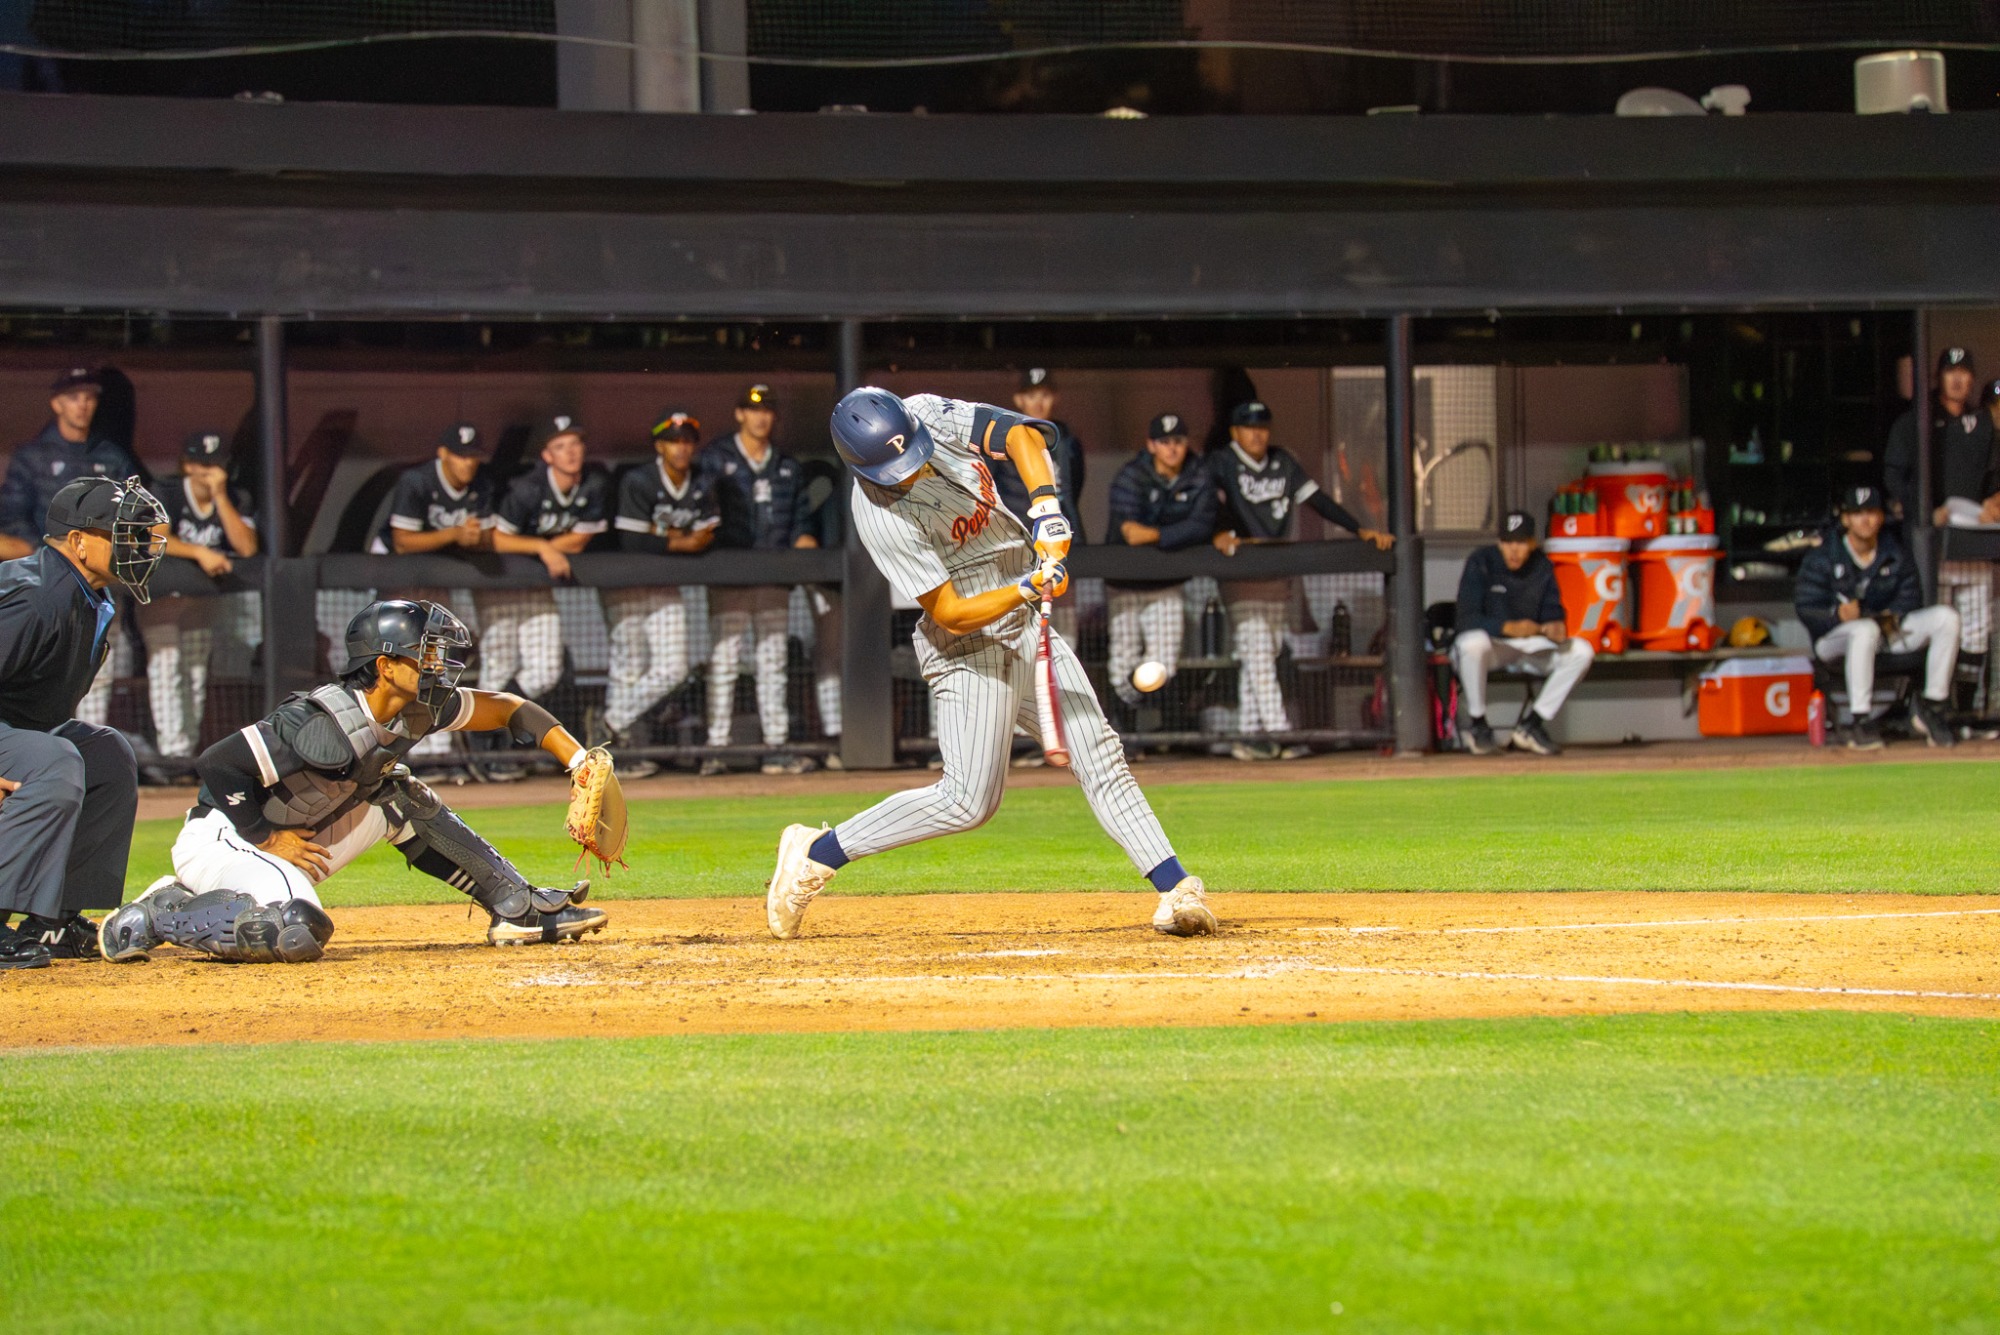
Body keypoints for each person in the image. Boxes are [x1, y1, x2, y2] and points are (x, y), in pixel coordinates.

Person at [761, 387, 1214, 942]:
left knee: (1098, 751)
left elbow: (1020, 435)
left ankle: (1176, 887)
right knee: (968, 802)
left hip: (1024, 619)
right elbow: (950, 612)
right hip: (967, 647)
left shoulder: (926, 414)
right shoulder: (877, 515)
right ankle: (816, 852)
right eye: (893, 468)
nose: (909, 470)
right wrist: (1025, 588)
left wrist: (1046, 508)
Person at [97, 599, 608, 964]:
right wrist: (265, 838)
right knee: (298, 930)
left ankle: (515, 906)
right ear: (385, 665)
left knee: (398, 796)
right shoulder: (320, 721)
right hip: (225, 838)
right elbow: (217, 764)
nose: (438, 663)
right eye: (424, 653)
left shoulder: (420, 705)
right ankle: (165, 910)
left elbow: (509, 710)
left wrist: (578, 759)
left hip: (293, 836)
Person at [0, 476, 165, 970]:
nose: (136, 545)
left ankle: (53, 921)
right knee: (55, 761)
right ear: (77, 542)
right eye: (122, 534)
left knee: (107, 755)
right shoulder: (35, 597)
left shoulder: (83, 594)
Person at [1209, 399, 1394, 760]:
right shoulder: (1221, 462)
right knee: (1258, 651)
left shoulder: (1282, 462)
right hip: (1240, 573)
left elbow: (1319, 501)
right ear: (1235, 432)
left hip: (1277, 572)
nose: (1257, 433)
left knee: (1262, 653)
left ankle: (1249, 735)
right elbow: (1203, 503)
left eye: (1262, 426)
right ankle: (1281, 732)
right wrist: (1217, 531)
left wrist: (1359, 529)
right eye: (1249, 427)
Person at [1, 367, 151, 728]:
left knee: (95, 667)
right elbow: (12, 516)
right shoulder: (33, 456)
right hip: (46, 575)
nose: (82, 405)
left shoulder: (111, 455)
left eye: (89, 397)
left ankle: (77, 734)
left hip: (96, 581)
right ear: (56, 403)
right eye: (73, 397)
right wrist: (48, 557)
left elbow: (139, 511)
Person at [698, 383, 816, 776]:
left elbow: (801, 522)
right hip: (729, 577)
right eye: (753, 410)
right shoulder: (717, 457)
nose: (760, 416)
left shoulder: (786, 464)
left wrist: (802, 547)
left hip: (772, 579)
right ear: (739, 414)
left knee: (773, 663)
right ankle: (716, 747)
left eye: (767, 410)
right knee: (724, 662)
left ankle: (776, 746)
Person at [1795, 485, 1959, 750]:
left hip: (1885, 631)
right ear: (1846, 518)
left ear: (1881, 516)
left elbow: (1910, 598)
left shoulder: (1893, 553)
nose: (1866, 519)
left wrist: (1887, 615)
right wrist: (1836, 615)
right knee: (1863, 630)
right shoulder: (1824, 556)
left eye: (1871, 511)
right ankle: (1861, 719)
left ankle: (1931, 707)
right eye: (1857, 513)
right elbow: (1806, 606)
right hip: (1834, 639)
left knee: (1946, 617)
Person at [603, 408, 719, 778]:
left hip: (666, 584)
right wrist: (681, 541)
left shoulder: (702, 482)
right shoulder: (638, 479)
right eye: (674, 441)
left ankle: (609, 721)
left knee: (674, 667)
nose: (681, 448)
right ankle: (619, 751)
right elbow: (633, 540)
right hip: (626, 583)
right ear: (659, 445)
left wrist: (663, 537)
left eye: (687, 441)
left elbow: (707, 536)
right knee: (628, 670)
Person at [140, 429, 259, 764]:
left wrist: (221, 497)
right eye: (201, 464)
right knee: (166, 667)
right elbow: (152, 539)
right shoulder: (166, 491)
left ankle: (184, 751)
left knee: (194, 672)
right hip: (163, 597)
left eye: (216, 464)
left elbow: (247, 547)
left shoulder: (235, 498)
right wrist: (199, 553)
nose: (209, 471)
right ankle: (171, 751)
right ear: (187, 465)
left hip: (202, 603)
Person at [485, 415, 611, 703]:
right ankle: (480, 737)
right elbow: (496, 539)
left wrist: (545, 548)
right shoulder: (527, 488)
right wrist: (543, 548)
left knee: (546, 670)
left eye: (575, 444)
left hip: (537, 586)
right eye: (560, 445)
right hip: (499, 582)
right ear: (546, 455)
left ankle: (497, 718)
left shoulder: (594, 484)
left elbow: (579, 540)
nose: (570, 452)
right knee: (498, 666)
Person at [1886, 346, 1999, 666]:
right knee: (1937, 626)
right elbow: (1894, 476)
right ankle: (1936, 704)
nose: (1957, 380)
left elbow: (1995, 477)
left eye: (1963, 373)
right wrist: (1923, 509)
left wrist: (1995, 502)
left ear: (1972, 379)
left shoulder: (1982, 423)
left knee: (1975, 631)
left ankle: (1963, 708)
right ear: (1939, 377)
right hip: (1930, 541)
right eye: (1951, 372)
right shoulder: (1915, 422)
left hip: (1972, 540)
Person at [1451, 511, 1595, 757]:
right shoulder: (1481, 562)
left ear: (1531, 543)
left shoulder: (1542, 566)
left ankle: (1532, 724)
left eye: (1520, 543)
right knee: (1471, 643)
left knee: (1582, 650)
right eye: (1508, 543)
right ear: (1499, 543)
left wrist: (1555, 627)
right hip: (1493, 647)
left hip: (1530, 648)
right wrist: (1508, 627)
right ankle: (1478, 725)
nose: (1513, 550)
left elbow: (1554, 612)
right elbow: (1466, 618)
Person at [1104, 411, 1215, 713]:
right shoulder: (1132, 474)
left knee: (1164, 661)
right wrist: (1177, 534)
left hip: (1168, 582)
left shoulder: (1198, 473)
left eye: (1178, 441)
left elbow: (1203, 526)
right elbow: (1131, 533)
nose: (1172, 448)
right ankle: (1127, 733)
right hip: (1124, 583)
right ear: (1151, 445)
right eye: (1164, 442)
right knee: (1123, 662)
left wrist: (1155, 534)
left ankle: (1163, 731)